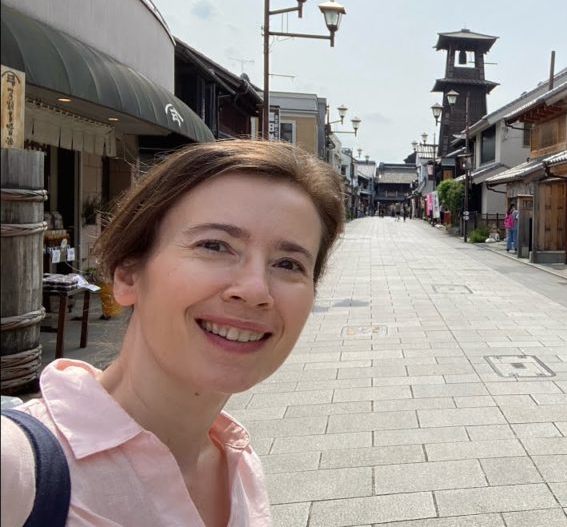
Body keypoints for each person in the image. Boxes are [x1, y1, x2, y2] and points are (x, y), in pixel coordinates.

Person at [0, 140, 344, 526]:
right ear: (127, 275)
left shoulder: (239, 466)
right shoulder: (17, 471)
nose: (255, 290)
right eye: (215, 245)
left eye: (288, 264)